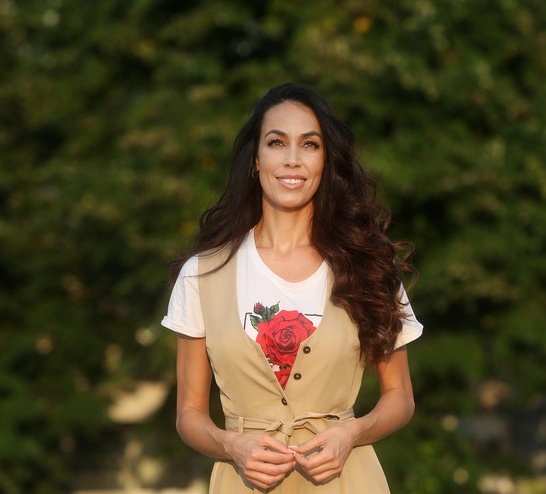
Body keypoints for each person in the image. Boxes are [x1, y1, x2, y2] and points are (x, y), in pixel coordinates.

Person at [162, 83, 423, 493]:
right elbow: (189, 414)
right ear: (255, 159)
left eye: (310, 144)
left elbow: (401, 398)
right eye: (277, 142)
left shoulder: (368, 267)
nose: (292, 160)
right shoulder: (201, 275)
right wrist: (233, 445)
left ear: (326, 161)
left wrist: (352, 433)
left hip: (347, 482)